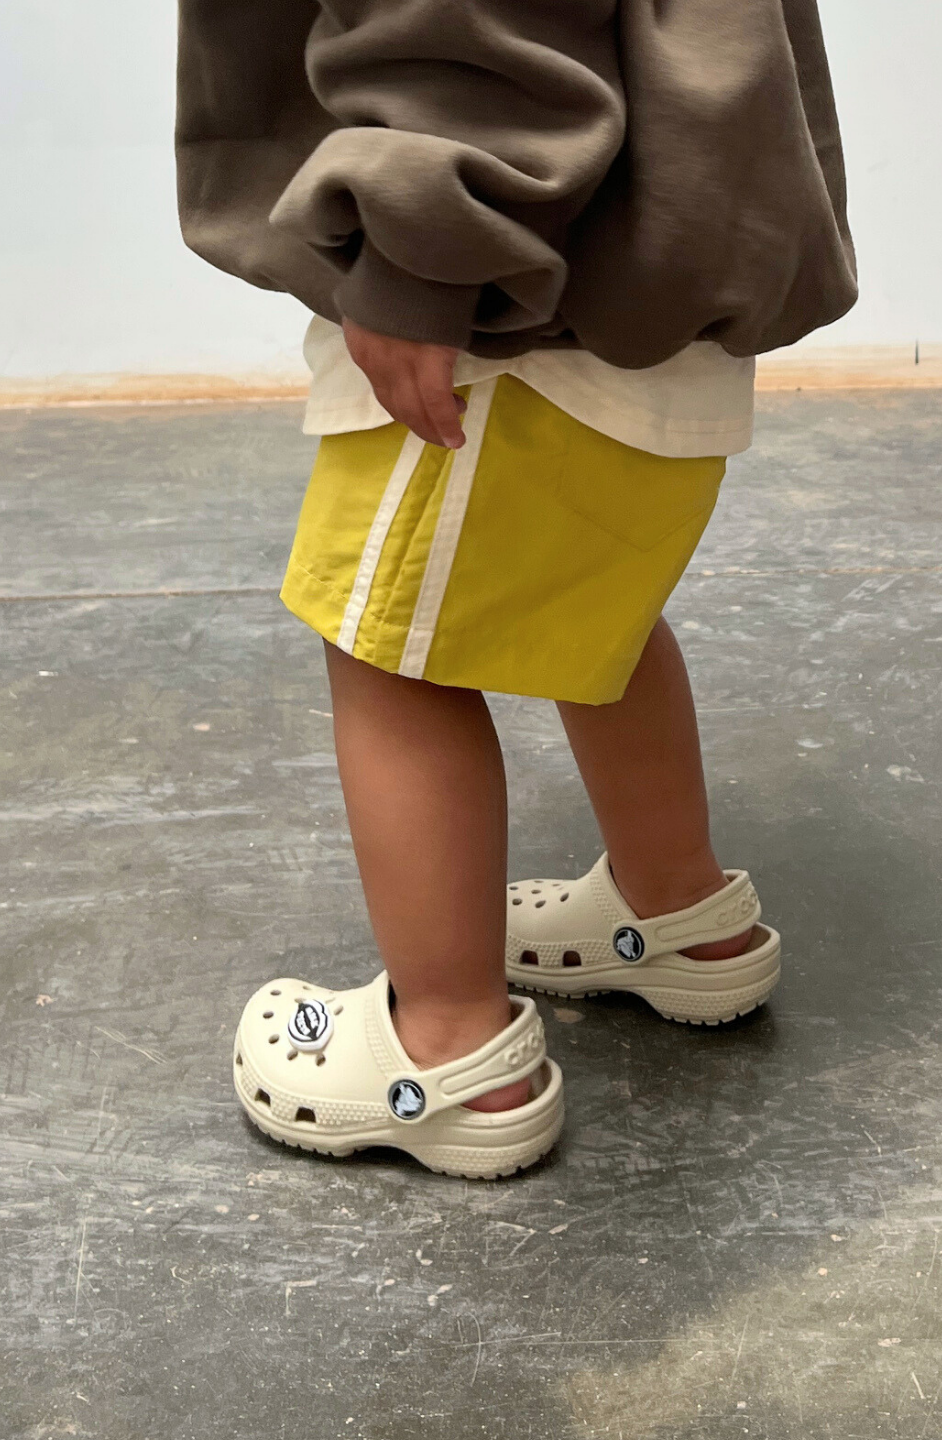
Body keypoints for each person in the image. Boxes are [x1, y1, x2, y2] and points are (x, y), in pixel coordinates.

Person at [175, 0, 856, 1177]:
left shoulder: (452, 256)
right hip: (633, 255)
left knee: (387, 650)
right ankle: (683, 916)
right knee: (599, 605)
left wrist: (414, 255)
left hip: (503, 301)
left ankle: (446, 1054)